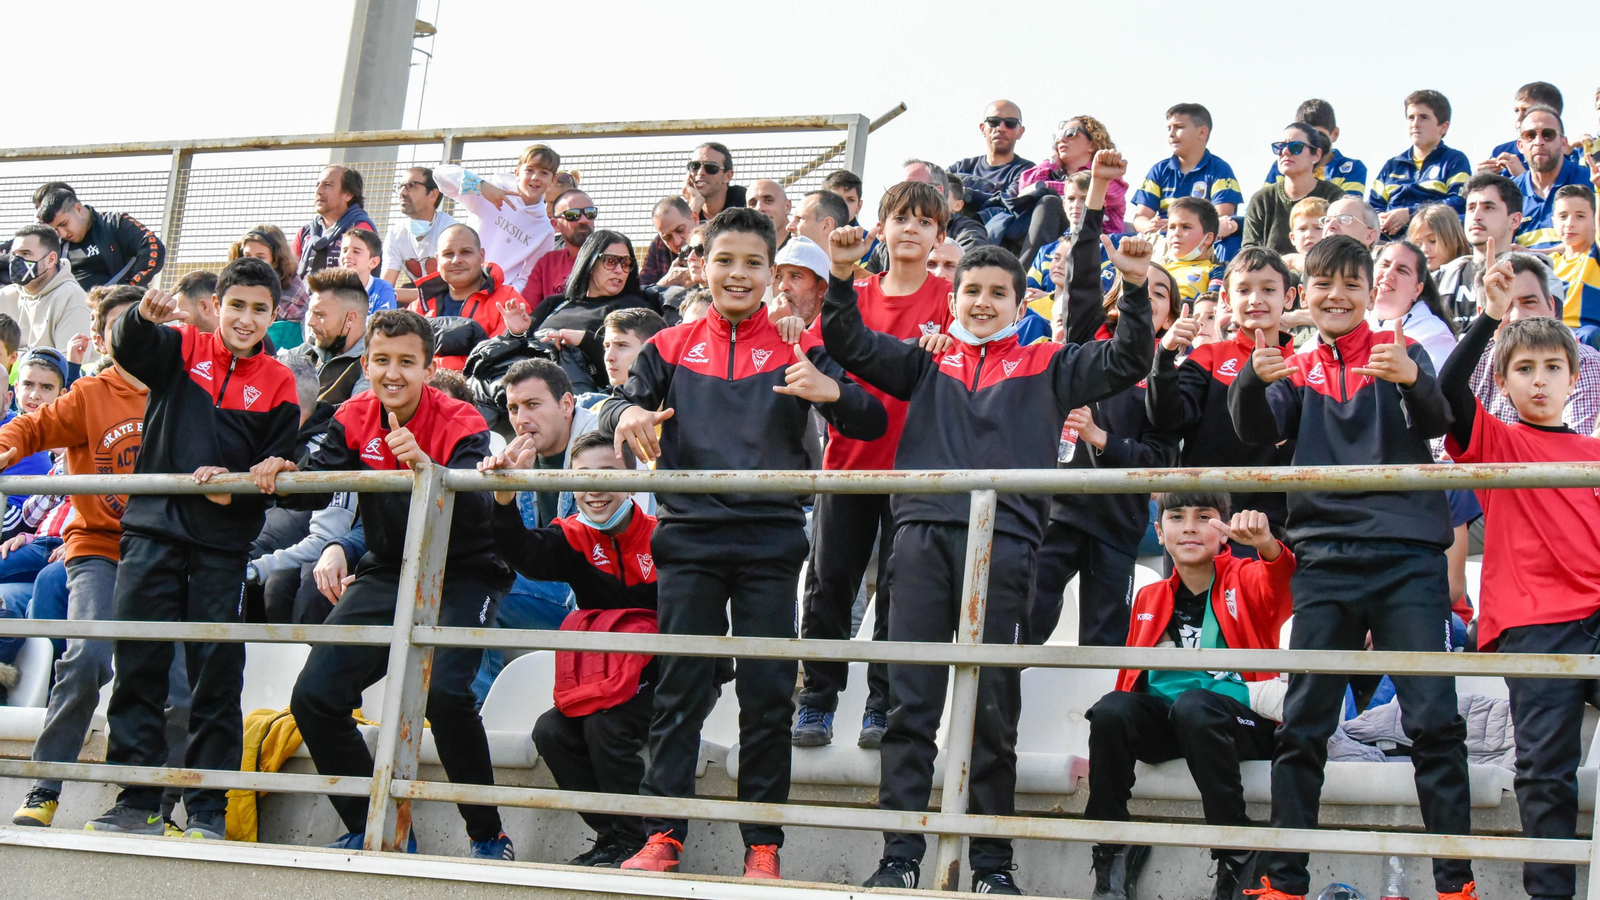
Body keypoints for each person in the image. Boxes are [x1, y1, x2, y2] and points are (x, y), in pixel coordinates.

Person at [821, 202, 1154, 893]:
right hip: (919, 541)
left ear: (1018, 302)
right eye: (971, 290)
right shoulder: (926, 363)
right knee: (913, 706)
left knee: (993, 708)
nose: (982, 302)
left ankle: (992, 866)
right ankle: (900, 858)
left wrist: (1139, 283)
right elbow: (848, 341)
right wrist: (844, 273)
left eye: (997, 292)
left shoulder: (1047, 364)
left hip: (1006, 547)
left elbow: (1127, 358)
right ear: (955, 298)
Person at [604, 207, 886, 880]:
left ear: (771, 274)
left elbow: (870, 416)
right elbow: (614, 404)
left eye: (752, 263)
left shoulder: (796, 342)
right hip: (689, 535)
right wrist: (632, 413)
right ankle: (663, 836)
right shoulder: (668, 345)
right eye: (723, 259)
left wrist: (832, 392)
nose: (737, 274)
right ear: (701, 264)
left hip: (770, 538)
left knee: (764, 693)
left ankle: (763, 845)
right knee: (680, 687)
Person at [1228, 236, 1475, 900]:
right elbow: (1255, 430)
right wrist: (1254, 374)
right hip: (1326, 560)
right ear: (1304, 294)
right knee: (1305, 723)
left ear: (1371, 292)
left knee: (1433, 721)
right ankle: (1285, 881)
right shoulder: (1296, 365)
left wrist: (1414, 381)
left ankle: (1456, 885)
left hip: (1407, 561)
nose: (1336, 294)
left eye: (1350, 283)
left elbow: (1438, 421)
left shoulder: (1403, 352)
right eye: (1322, 283)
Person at [250, 309, 514, 860]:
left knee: (444, 696)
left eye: (407, 363)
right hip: (388, 568)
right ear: (366, 362)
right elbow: (316, 483)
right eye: (381, 361)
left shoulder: (461, 420)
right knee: (314, 697)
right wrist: (277, 470)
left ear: (426, 366)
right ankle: (378, 824)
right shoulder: (353, 414)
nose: (392, 374)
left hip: (463, 569)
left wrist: (430, 474)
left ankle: (488, 835)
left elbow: (479, 518)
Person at [83, 258, 300, 840]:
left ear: (275, 316)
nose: (246, 319)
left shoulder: (280, 383)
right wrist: (136, 317)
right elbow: (131, 347)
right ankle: (138, 800)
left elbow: (275, 474)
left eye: (260, 309)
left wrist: (233, 487)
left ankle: (207, 809)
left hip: (221, 548)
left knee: (215, 674)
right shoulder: (182, 347)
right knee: (139, 666)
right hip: (152, 531)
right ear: (216, 307)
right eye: (237, 306)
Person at [1439, 256, 1600, 900]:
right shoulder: (1498, 440)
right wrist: (1486, 317)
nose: (1540, 380)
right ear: (1503, 383)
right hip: (1537, 624)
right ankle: (1551, 895)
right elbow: (1446, 396)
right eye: (1525, 369)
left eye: (1552, 368)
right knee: (1544, 769)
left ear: (1575, 377)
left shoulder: (1593, 452)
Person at [793, 181, 952, 750]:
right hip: (849, 464)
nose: (911, 228)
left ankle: (881, 707)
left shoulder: (952, 299)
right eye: (900, 218)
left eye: (924, 221)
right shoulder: (852, 294)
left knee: (899, 592)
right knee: (829, 585)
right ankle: (815, 702)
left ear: (940, 234)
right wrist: (839, 400)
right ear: (879, 227)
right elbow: (813, 355)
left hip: (915, 474)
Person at [1085, 495, 1294, 900]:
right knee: (1111, 710)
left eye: (1204, 517)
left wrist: (1267, 543)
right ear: (1160, 533)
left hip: (1243, 725)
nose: (1191, 527)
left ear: (1224, 531)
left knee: (1195, 704)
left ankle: (1235, 851)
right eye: (1177, 518)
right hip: (1179, 722)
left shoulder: (1246, 577)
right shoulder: (1150, 597)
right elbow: (1137, 685)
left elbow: (1283, 584)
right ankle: (1110, 847)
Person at [4, 286, 150, 830]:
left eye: (135, 323)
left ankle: (153, 802)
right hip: (96, 548)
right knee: (87, 656)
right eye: (114, 326)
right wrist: (9, 444)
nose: (126, 335)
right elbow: (35, 425)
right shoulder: (90, 392)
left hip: (161, 552)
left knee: (173, 672)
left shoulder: (178, 390)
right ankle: (46, 785)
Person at [486, 430, 658, 867]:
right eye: (583, 475)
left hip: (668, 674)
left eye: (608, 473)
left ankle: (638, 838)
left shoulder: (664, 537)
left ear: (634, 481)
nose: (595, 487)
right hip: (606, 675)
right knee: (551, 731)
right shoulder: (574, 536)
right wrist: (506, 497)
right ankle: (612, 835)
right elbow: (522, 552)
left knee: (606, 728)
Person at [1034, 151, 1181, 647]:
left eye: (1160, 293)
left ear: (1167, 315)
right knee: (1022, 625)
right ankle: (989, 721)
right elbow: (1081, 264)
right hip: (1057, 511)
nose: (1147, 296)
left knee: (1103, 645)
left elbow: (1162, 458)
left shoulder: (1171, 371)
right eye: (1140, 284)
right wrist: (1097, 189)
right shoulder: (1085, 338)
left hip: (1118, 522)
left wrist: (1102, 439)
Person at [1148, 247, 1298, 543]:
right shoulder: (1208, 356)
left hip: (1268, 524)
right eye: (1243, 290)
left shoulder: (1302, 365)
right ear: (1227, 300)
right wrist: (1164, 358)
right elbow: (1168, 420)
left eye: (1268, 289)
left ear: (1289, 298)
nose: (1255, 299)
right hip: (1198, 516)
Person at [1463, 246, 1600, 436]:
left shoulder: (1584, 360)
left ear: (1552, 306)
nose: (1518, 316)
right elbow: (1441, 451)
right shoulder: (1472, 364)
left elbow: (1575, 459)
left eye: (1529, 302)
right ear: (1483, 316)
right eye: (1504, 306)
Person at [525, 231, 655, 395]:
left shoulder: (632, 308)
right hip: (529, 381)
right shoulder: (555, 303)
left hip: (585, 399)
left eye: (626, 263)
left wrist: (583, 340)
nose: (619, 270)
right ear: (591, 263)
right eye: (611, 261)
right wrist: (515, 331)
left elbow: (640, 361)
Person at [435, 145, 559, 294]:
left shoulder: (545, 230)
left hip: (493, 298)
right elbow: (439, 175)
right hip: (454, 285)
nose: (535, 178)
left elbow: (529, 277)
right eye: (529, 170)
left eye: (544, 173)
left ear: (553, 180)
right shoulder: (489, 191)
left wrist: (503, 295)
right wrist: (481, 186)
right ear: (517, 172)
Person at [1130, 103, 1243, 263]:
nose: (1171, 134)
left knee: (1230, 243)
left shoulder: (1220, 170)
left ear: (1202, 132)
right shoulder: (1158, 170)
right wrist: (1149, 226)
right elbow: (1140, 218)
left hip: (1199, 241)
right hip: (1163, 239)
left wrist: (1177, 225)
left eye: (1179, 127)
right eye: (1169, 128)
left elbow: (1221, 217)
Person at [1009, 116, 1125, 263]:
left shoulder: (1108, 174)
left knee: (1049, 201)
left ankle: (1023, 274)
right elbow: (1025, 190)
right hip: (1059, 245)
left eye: (1070, 133)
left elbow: (1098, 191)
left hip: (1098, 248)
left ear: (1092, 143)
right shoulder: (1053, 173)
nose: (1061, 140)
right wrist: (1051, 162)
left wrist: (1047, 187)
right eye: (1058, 136)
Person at [408, 224, 522, 369]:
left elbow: (494, 359)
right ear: (438, 260)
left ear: (482, 256)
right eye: (448, 254)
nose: (456, 260)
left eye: (466, 252)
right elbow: (406, 354)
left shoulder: (509, 301)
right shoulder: (420, 305)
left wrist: (434, 368)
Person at [1369, 90, 1473, 237]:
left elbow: (1459, 202)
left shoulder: (1455, 160)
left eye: (1424, 117)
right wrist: (1378, 218)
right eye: (1411, 118)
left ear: (1443, 127)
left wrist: (1411, 213)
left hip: (1433, 238)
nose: (1415, 124)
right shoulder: (1392, 165)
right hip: (1388, 242)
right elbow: (1373, 206)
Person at [34, 185, 164, 292]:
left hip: (120, 310)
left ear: (78, 209)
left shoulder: (115, 223)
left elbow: (153, 246)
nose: (62, 233)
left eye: (64, 224)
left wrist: (129, 287)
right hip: (76, 312)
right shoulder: (58, 245)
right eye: (56, 229)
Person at [1243, 124, 1345, 254]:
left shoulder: (1335, 198)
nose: (1285, 152)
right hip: (1269, 274)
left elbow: (1343, 250)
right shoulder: (1262, 200)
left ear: (1316, 155)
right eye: (1280, 147)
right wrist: (1290, 262)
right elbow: (1249, 254)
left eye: (1295, 147)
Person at [0, 225, 93, 356]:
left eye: (26, 254)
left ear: (51, 260)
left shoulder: (72, 297)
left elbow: (69, 365)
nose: (16, 261)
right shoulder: (5, 296)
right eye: (14, 255)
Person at [1508, 105, 1591, 251]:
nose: (1539, 141)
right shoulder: (1509, 193)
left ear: (1563, 143)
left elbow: (1593, 239)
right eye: (1530, 135)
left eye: (1548, 134)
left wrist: (1535, 254)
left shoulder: (1589, 181)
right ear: (1520, 146)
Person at [1368, 241, 1459, 374]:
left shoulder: (1435, 334)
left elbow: (1436, 390)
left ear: (1417, 289)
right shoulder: (1349, 317)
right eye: (1385, 264)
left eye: (1402, 270)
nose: (1388, 274)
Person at [291, 267, 372, 409]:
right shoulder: (307, 350)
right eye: (311, 313)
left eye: (320, 315)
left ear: (350, 318)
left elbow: (353, 420)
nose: (311, 322)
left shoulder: (372, 365)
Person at [949, 100, 1034, 230]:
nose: (1000, 128)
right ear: (983, 128)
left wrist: (965, 193)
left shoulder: (1027, 171)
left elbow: (1008, 202)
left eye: (1010, 123)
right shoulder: (962, 167)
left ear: (1020, 132)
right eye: (993, 122)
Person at [1259, 100, 1367, 197]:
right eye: (1302, 141)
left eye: (1318, 136)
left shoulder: (1351, 168)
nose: (1313, 143)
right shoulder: (1283, 165)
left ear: (1334, 134)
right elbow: (1266, 202)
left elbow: (1346, 210)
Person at [381, 166, 457, 305]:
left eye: (411, 186)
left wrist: (393, 293)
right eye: (400, 186)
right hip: (418, 304)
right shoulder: (395, 234)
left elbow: (451, 288)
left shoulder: (451, 231)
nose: (402, 193)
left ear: (433, 195)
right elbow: (385, 285)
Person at [1483, 81, 1584, 176]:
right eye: (1516, 111)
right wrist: (1481, 178)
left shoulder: (1574, 154)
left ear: (1551, 114)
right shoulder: (1501, 151)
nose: (1519, 118)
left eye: (1527, 110)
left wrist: (1522, 176)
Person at [292, 166, 376, 278]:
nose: (318, 191)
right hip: (305, 294)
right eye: (317, 185)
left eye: (327, 185)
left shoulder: (360, 228)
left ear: (348, 195)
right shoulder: (305, 232)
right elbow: (288, 273)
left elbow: (361, 278)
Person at [1548, 184, 1600, 346]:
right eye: (1563, 216)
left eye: (1580, 216)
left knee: (1590, 335)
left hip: (1586, 335)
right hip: (1553, 334)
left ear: (1594, 221)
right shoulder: (1549, 264)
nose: (1570, 223)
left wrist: (1598, 189)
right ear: (1553, 222)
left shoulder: (1596, 255)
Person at [525, 190, 596, 302]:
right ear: (556, 225)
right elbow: (528, 309)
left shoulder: (611, 260)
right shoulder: (547, 264)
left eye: (590, 212)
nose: (584, 220)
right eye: (573, 215)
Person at [231, 226, 310, 322]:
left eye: (260, 258)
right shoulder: (236, 285)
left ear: (276, 260)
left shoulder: (292, 294)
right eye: (247, 256)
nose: (252, 262)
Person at [1157, 197, 1224, 302]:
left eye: (1186, 227)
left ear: (1207, 238)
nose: (1176, 233)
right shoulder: (1157, 270)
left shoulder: (1216, 271)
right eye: (1172, 227)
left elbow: (1210, 306)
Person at [767, 236, 830, 328]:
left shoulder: (836, 331)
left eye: (795, 277)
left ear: (822, 288)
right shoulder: (754, 325)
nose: (782, 286)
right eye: (778, 276)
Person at [600, 308, 669, 391]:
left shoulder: (678, 400)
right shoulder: (592, 402)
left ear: (651, 351)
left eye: (621, 345)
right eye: (607, 346)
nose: (608, 357)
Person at [682, 142, 747, 225]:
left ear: (727, 176)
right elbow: (680, 237)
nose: (700, 172)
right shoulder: (685, 209)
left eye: (711, 167)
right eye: (695, 166)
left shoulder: (746, 203)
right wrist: (695, 202)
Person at [640, 197, 697, 288]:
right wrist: (667, 282)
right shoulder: (658, 244)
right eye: (667, 237)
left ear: (695, 219)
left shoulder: (716, 239)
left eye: (680, 230)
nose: (677, 241)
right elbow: (641, 293)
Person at [338, 229, 397, 314]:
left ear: (373, 262)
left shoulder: (383, 290)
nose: (347, 255)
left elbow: (383, 325)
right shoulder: (329, 288)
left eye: (356, 252)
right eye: (344, 250)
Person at [1407, 204, 1473, 274]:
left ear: (1455, 240)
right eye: (1418, 245)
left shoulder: (1470, 274)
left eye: (1433, 241)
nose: (1424, 249)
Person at [749, 180, 792, 253]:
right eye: (753, 204)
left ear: (787, 207)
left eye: (769, 201)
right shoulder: (742, 249)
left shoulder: (803, 249)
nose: (759, 208)